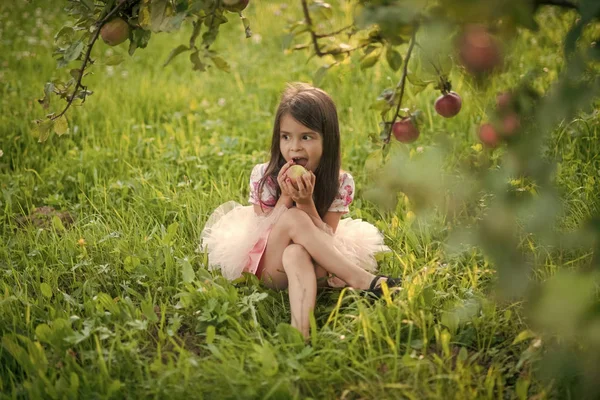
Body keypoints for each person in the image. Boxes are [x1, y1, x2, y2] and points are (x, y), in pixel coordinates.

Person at [200, 82, 401, 338]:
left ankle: (301, 332)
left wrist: (307, 203)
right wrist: (286, 198)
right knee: (292, 218)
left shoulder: (340, 181)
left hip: (316, 268)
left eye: (306, 137)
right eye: (286, 137)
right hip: (269, 267)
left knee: (296, 252)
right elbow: (260, 233)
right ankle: (359, 279)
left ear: (327, 140)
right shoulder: (265, 176)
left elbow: (327, 236)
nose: (294, 147)